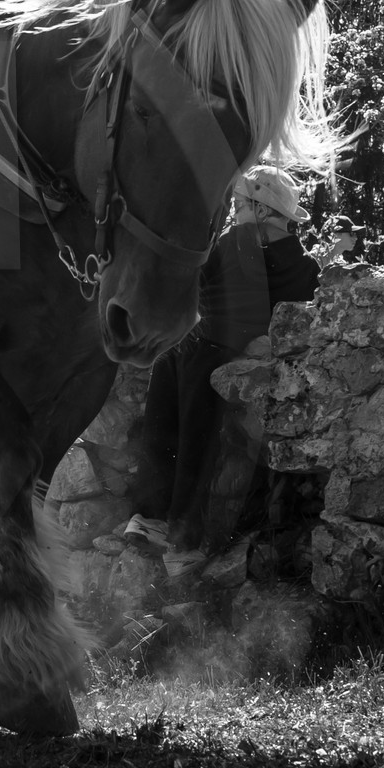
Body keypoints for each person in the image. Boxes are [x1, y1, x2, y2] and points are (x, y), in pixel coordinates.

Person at [125, 166, 322, 576]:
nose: (233, 211)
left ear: (262, 210)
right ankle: (166, 528)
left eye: (240, 204)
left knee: (184, 420)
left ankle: (166, 527)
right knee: (182, 411)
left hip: (205, 349)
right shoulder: (297, 262)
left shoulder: (249, 248)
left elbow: (202, 290)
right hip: (212, 350)